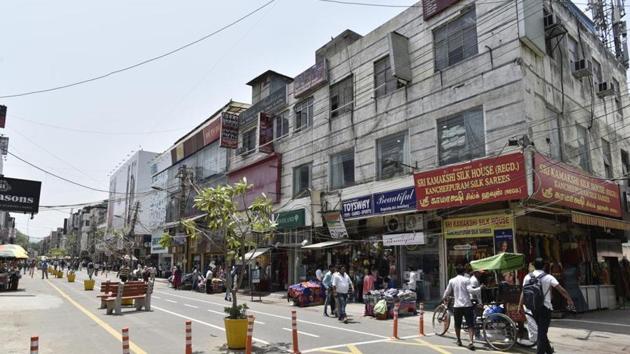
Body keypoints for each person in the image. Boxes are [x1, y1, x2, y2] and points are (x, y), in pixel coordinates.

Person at [519, 258, 574, 354]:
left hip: (533, 307)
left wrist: (520, 305)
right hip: (545, 307)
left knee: (541, 330)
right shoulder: (548, 277)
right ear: (544, 266)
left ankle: (548, 350)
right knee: (542, 331)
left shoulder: (527, 277)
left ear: (534, 266)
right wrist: (569, 300)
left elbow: (523, 292)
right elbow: (561, 290)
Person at [442, 264, 476, 350]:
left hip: (457, 306)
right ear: (464, 272)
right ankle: (471, 342)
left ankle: (458, 340)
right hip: (467, 305)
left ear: (456, 272)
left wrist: (444, 297)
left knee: (457, 324)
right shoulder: (466, 280)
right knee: (470, 324)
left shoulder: (452, 280)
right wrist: (479, 289)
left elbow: (447, 291)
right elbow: (470, 290)